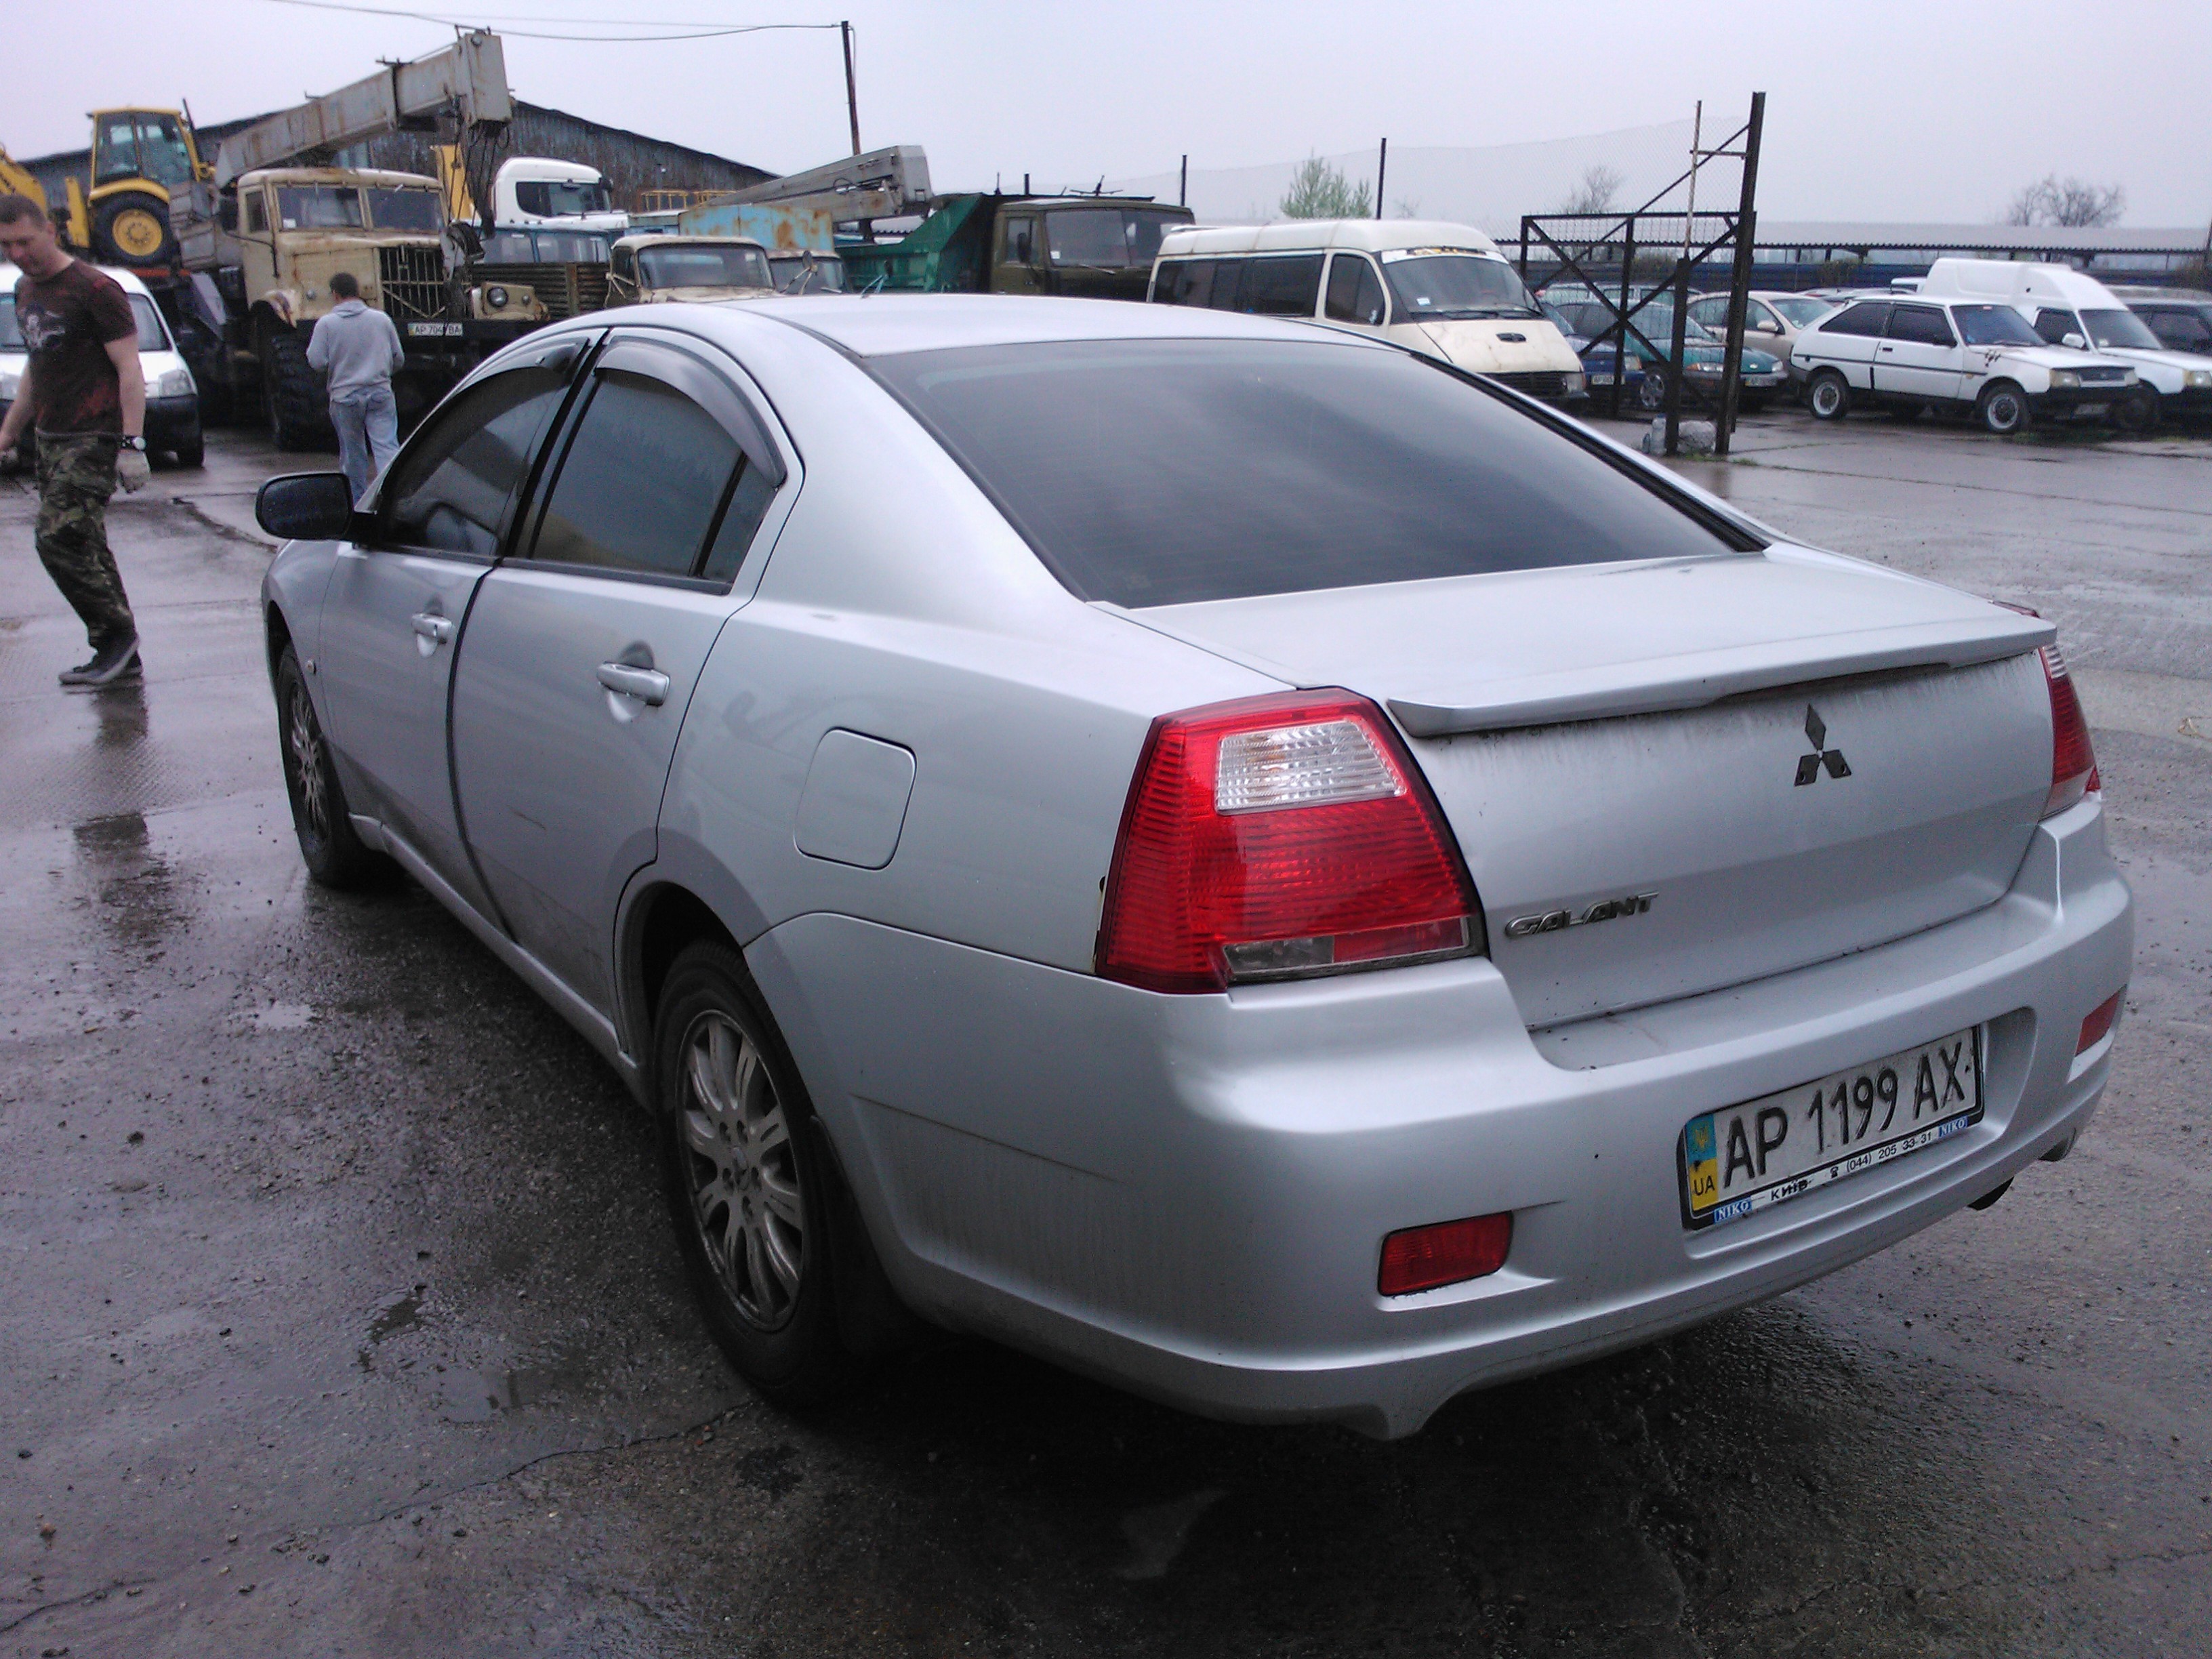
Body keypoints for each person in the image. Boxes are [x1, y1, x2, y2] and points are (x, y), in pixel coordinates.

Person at [0, 193, 150, 688]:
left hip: (94, 434)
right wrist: (9, 431)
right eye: (6, 245)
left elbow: (130, 369)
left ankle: (117, 636)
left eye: (25, 241)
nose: (17, 253)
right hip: (51, 435)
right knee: (87, 542)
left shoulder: (95, 289)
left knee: (57, 539)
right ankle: (118, 653)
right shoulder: (25, 290)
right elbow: (37, 365)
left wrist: (132, 445)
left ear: (50, 230)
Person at [306, 271, 404, 503]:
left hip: (345, 398)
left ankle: (358, 502)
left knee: (353, 453)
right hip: (380, 393)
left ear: (335, 294)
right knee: (387, 447)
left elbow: (316, 361)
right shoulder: (381, 320)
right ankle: (391, 497)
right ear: (357, 292)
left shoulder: (326, 324)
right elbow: (398, 358)